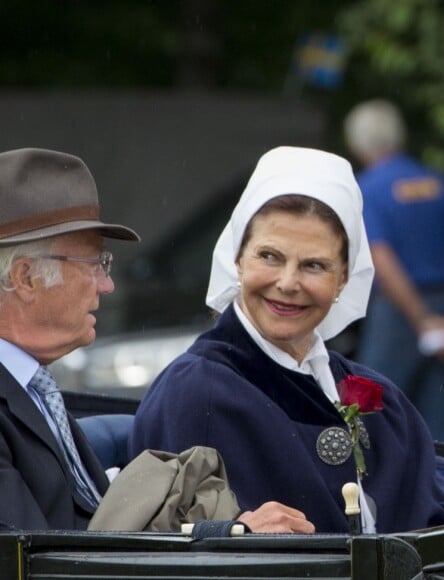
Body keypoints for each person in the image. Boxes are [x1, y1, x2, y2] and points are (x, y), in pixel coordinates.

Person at [130, 145, 444, 534]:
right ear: (237, 260)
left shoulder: (383, 402)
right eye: (270, 257)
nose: (289, 283)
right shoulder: (194, 396)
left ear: (344, 278)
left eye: (314, 265)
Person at [0, 147, 306, 534]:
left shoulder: (34, 388)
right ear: (26, 278)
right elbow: (36, 561)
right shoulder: (26, 389)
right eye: (94, 264)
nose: (107, 285)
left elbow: (86, 536)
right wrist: (227, 537)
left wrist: (226, 534)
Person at [343, 99, 444, 443]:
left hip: (398, 311)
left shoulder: (368, 187)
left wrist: (422, 320)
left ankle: (369, 492)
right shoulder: (433, 180)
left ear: (356, 143)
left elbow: (382, 258)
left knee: (371, 412)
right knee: (442, 418)